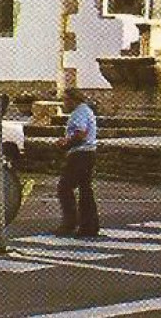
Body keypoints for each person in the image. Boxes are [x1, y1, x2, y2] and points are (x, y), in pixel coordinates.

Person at [56, 87, 99, 237]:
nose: (64, 103)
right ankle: (89, 225)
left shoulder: (79, 112)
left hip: (80, 154)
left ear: (74, 99)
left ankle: (70, 222)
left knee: (64, 187)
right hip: (89, 153)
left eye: (66, 100)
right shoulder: (86, 110)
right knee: (85, 189)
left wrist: (66, 143)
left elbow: (81, 133)